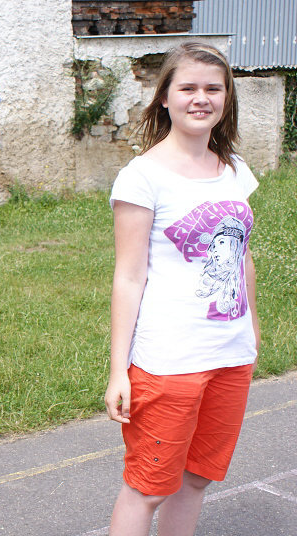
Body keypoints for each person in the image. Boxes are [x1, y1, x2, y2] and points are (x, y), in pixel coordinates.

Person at [104, 42, 260, 535]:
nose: (201, 98)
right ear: (165, 98)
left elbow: (243, 258)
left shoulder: (234, 170)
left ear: (227, 98)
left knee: (196, 478)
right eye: (188, 87)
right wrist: (118, 370)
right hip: (169, 360)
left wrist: (252, 329)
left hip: (231, 353)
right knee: (148, 488)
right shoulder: (142, 177)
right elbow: (128, 277)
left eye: (213, 88)